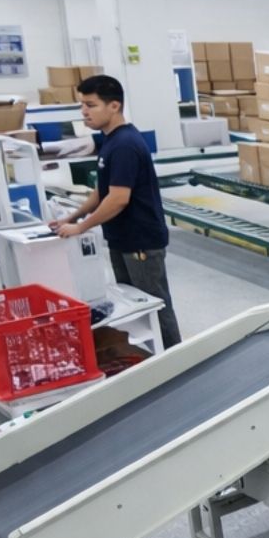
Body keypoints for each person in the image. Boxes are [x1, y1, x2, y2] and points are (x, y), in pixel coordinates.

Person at [56, 74, 181, 348]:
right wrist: (72, 216)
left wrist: (80, 228)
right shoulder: (110, 141)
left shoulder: (124, 144)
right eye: (82, 105)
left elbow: (118, 199)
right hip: (123, 238)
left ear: (114, 106)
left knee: (154, 306)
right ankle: (152, 357)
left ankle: (176, 359)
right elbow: (102, 191)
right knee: (135, 304)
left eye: (91, 105)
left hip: (141, 241)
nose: (84, 112)